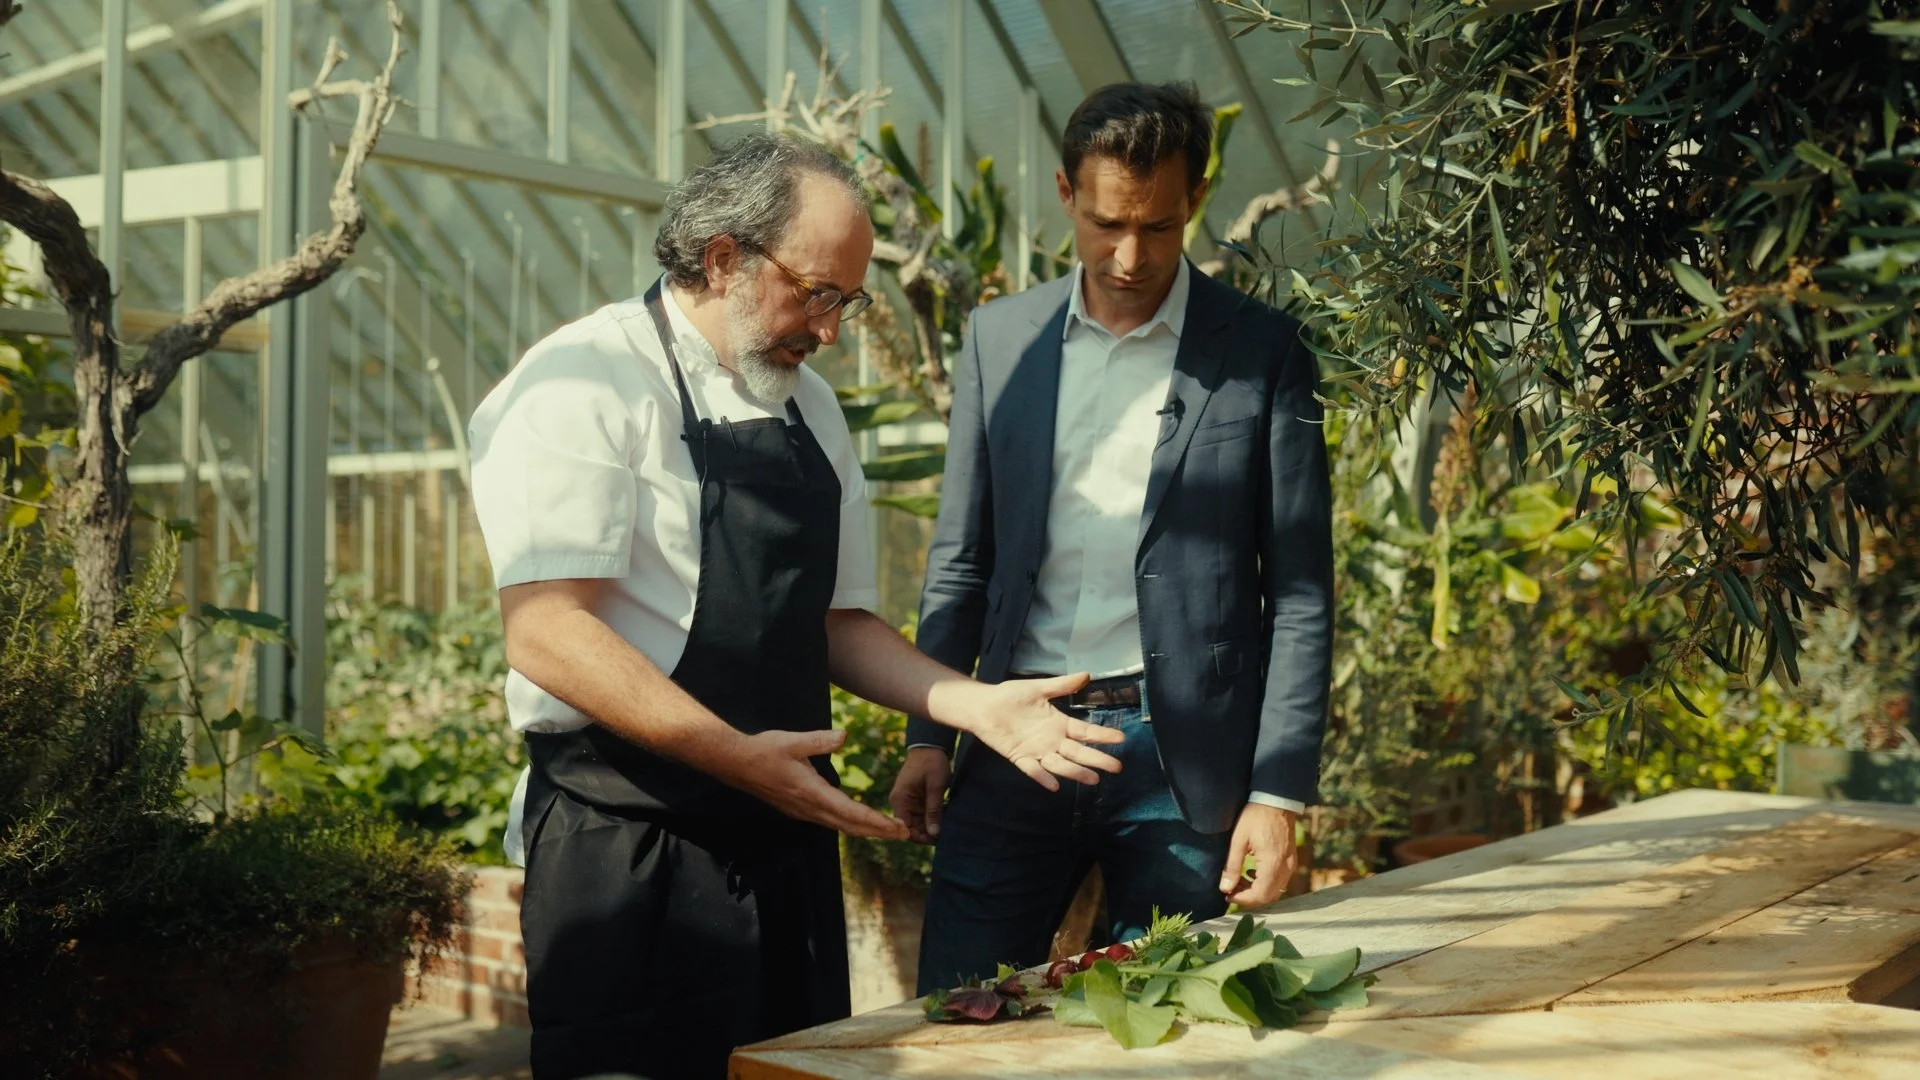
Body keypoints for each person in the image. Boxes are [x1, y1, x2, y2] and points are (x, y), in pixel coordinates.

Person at [467, 133, 1125, 1080]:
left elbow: (837, 625)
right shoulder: (581, 383)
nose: (831, 330)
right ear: (725, 256)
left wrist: (970, 703)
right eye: (818, 294)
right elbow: (544, 628)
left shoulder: (808, 406)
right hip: (631, 841)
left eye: (848, 301)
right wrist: (734, 757)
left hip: (784, 828)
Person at [890, 82, 1335, 993]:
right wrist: (925, 734)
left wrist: (1278, 794)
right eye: (1106, 224)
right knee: (957, 1008)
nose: (1130, 256)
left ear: (1197, 201)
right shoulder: (998, 339)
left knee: (1172, 1023)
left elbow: (1299, 592)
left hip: (1185, 766)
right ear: (1065, 193)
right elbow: (962, 558)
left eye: (1160, 228)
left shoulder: (1266, 353)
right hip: (1020, 732)